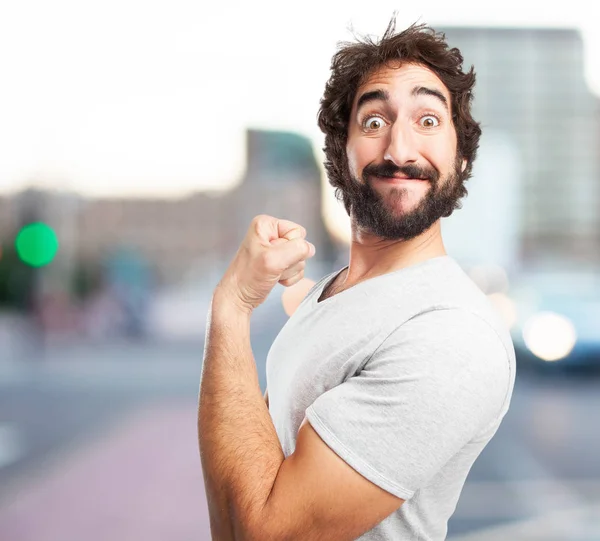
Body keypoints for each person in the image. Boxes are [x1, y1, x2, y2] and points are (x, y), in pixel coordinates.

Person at [198, 18, 516, 541]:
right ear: (339, 155)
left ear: (460, 158)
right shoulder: (335, 292)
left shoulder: (452, 336)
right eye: (373, 122)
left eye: (429, 120)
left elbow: (263, 532)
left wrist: (232, 305)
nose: (399, 149)